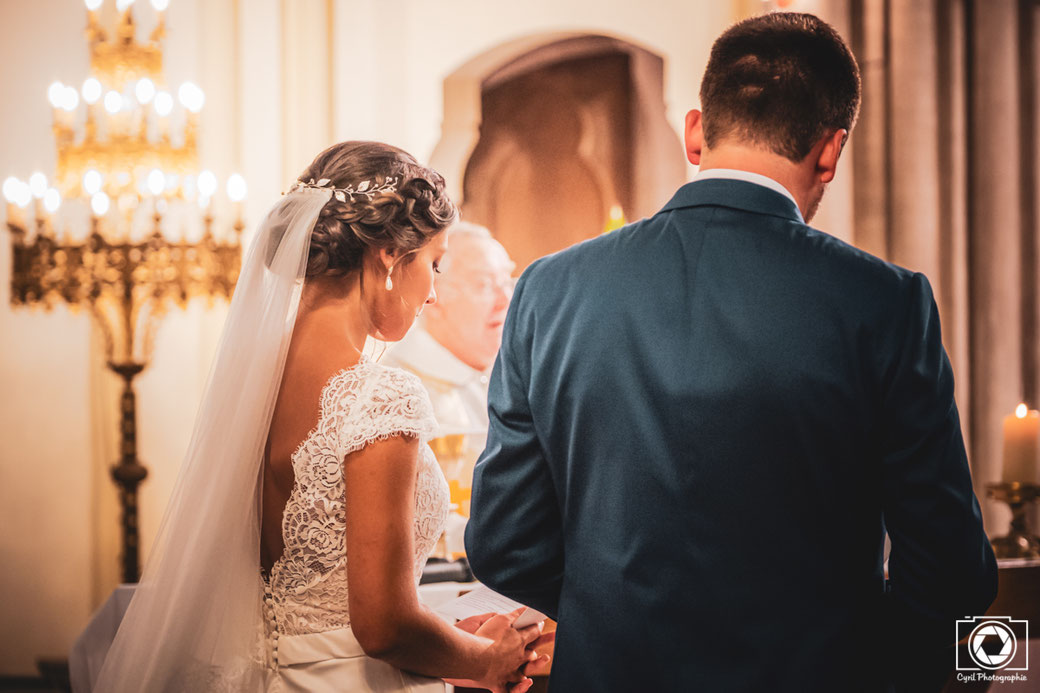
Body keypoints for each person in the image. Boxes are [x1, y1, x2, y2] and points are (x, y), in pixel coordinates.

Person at [465, 12, 997, 692]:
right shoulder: (885, 301)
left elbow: (502, 541)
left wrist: (612, 615)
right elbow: (952, 570)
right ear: (830, 150)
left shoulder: (548, 288)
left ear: (696, 132)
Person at [94, 142, 550, 693]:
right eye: (433, 264)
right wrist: (488, 659)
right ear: (387, 257)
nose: (431, 292)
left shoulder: (255, 381)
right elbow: (384, 628)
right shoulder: (378, 396)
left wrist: (448, 638)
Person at [384, 222, 515, 520]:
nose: (506, 300)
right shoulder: (399, 388)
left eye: (507, 281)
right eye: (484, 284)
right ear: (434, 294)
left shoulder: (517, 371)